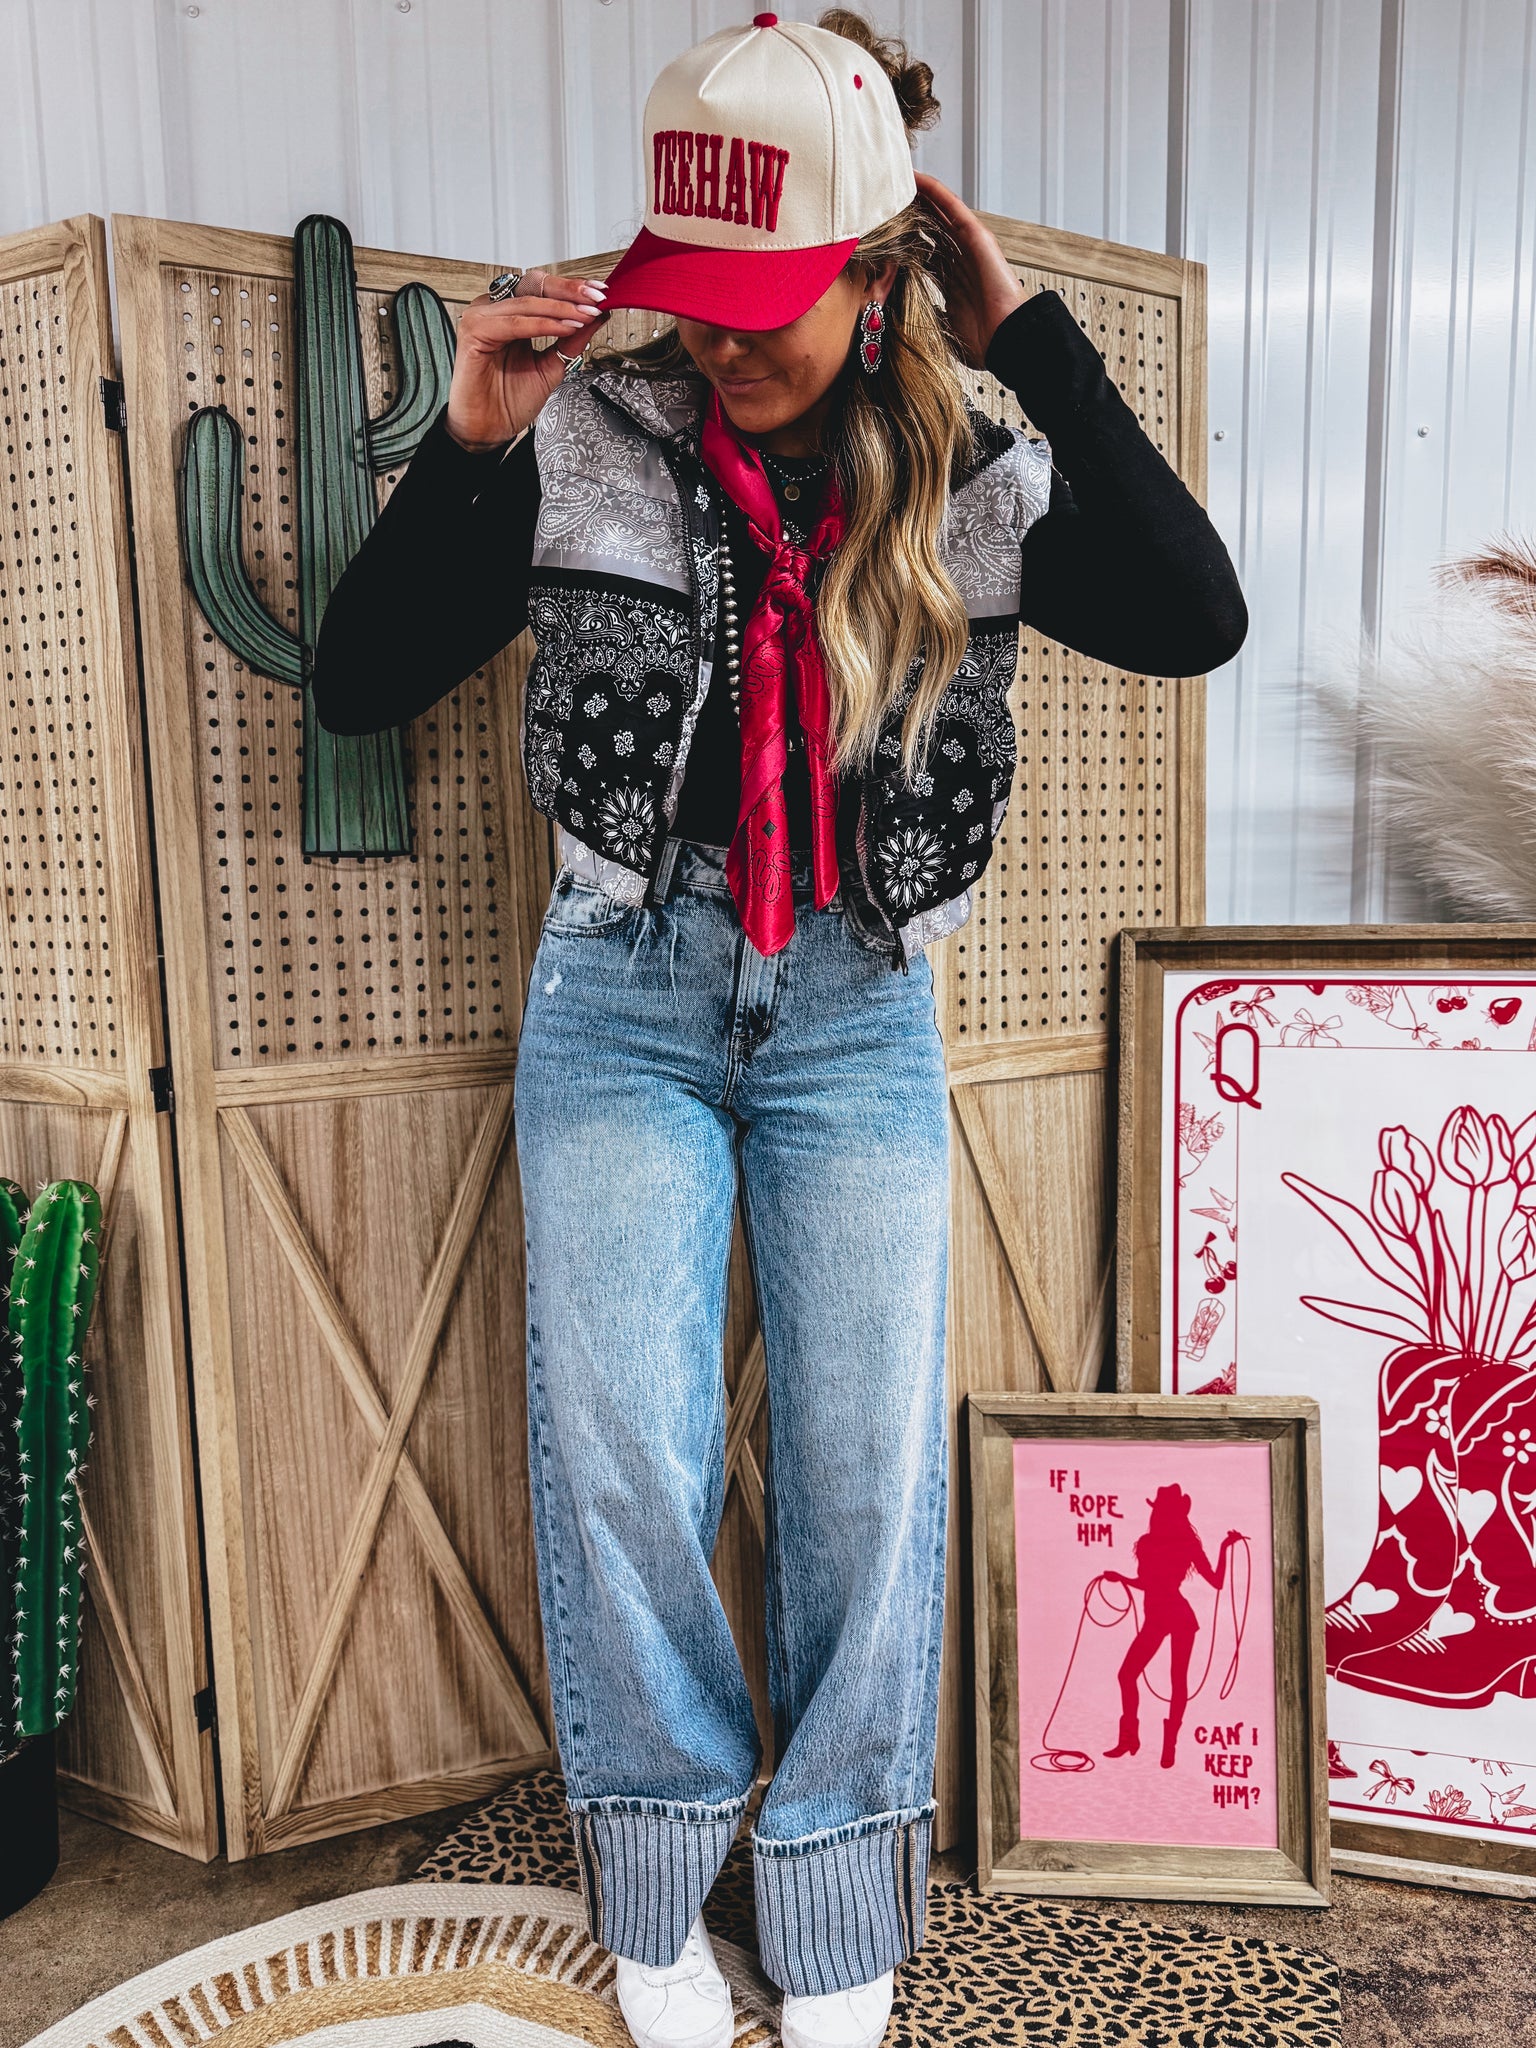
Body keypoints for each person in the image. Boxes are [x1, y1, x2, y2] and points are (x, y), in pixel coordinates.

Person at [312, 13, 1246, 2045]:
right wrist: (465, 440)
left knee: (862, 1471)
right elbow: (361, 677)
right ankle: (657, 1887)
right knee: (629, 1455)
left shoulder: (981, 471)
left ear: (875, 272)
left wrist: (1035, 336)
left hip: (854, 1008)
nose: (722, 340)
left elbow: (1198, 614)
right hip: (624, 992)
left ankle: (831, 1906)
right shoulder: (587, 433)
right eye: (697, 296)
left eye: (769, 303)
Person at [1101, 1485, 1244, 1770]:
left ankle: (1167, 1746)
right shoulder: (1152, 1544)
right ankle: (1131, 1739)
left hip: (1176, 1617)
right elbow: (1149, 1583)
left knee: (1170, 1679)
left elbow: (1215, 1582)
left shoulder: (1176, 1544)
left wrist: (1224, 1548)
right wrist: (1122, 1579)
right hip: (1163, 1616)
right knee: (1130, 1675)